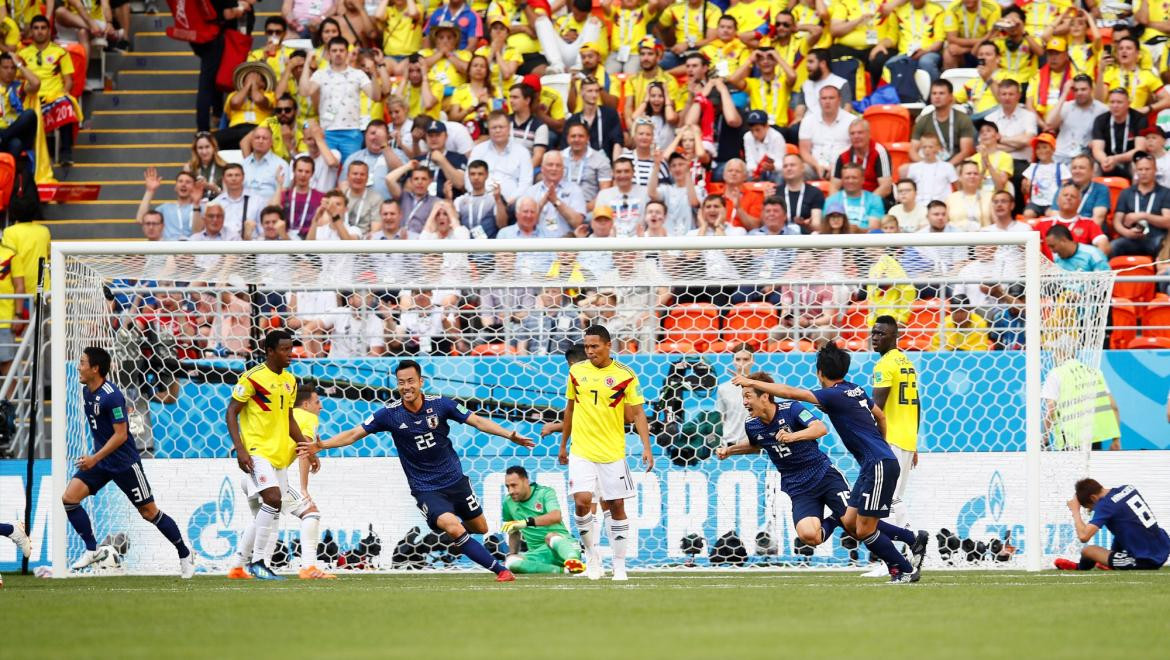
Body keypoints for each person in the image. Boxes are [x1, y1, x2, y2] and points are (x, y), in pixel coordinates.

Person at [301, 359, 534, 581]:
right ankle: (500, 570)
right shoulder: (389, 414)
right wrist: (322, 445)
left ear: (421, 381)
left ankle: (460, 538)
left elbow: (478, 421)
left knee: (480, 528)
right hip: (426, 489)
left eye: (411, 381)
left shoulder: (441, 404)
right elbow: (354, 433)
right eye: (401, 382)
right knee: (453, 527)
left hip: (456, 481)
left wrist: (509, 435)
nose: (406, 387)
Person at [732, 344, 923, 583]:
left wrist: (751, 382)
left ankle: (902, 567)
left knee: (863, 529)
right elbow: (881, 416)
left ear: (820, 372)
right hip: (872, 463)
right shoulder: (855, 389)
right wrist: (881, 445)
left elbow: (790, 393)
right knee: (853, 523)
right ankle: (911, 541)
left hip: (877, 464)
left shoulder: (830, 395)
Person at [64, 346, 195, 577]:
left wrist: (94, 458)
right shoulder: (87, 392)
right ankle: (92, 549)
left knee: (149, 512)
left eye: (83, 363)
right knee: (69, 499)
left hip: (124, 464)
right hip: (102, 462)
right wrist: (96, 458)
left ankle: (185, 553)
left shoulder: (112, 396)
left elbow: (121, 435)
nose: (78, 367)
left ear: (95, 368)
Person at [558, 324, 653, 581]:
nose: (589, 351)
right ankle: (592, 556)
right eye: (586, 347)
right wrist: (563, 444)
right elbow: (570, 409)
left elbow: (638, 413)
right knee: (581, 501)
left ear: (608, 345)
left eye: (594, 346)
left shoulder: (626, 375)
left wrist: (646, 447)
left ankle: (619, 564)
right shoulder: (576, 372)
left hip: (612, 452)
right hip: (582, 449)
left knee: (616, 505)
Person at [223, 330, 316, 580]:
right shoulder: (252, 379)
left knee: (270, 512)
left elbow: (288, 419)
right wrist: (241, 448)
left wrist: (306, 446)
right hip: (257, 453)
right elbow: (231, 412)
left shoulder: (290, 381)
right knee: (273, 500)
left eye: (292, 349)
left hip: (279, 459)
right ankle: (258, 562)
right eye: (285, 349)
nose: (290, 354)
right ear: (270, 351)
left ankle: (241, 564)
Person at [865, 315, 922, 576]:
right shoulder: (906, 362)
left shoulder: (885, 366)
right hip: (906, 439)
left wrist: (874, 443)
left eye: (881, 333)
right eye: (874, 333)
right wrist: (915, 441)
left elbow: (876, 410)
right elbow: (916, 403)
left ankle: (903, 555)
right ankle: (904, 555)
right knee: (890, 499)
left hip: (891, 440)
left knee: (887, 500)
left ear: (894, 336)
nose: (875, 337)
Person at [299, 37, 383, 163]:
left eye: (341, 50)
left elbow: (376, 97)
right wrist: (307, 63)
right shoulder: (320, 74)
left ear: (347, 53)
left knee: (350, 170)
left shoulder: (358, 74)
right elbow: (304, 91)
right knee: (328, 172)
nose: (338, 53)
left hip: (352, 132)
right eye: (334, 50)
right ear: (329, 53)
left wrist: (374, 73)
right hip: (327, 132)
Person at [1055, 479, 1168, 571]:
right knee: (1122, 527)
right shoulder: (1127, 488)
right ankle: (1111, 563)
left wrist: (1075, 511)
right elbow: (1126, 528)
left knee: (1088, 551)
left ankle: (1079, 568)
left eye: (1090, 508)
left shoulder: (1105, 505)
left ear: (1093, 498)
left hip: (1146, 560)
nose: (1092, 510)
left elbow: (1084, 536)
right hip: (1164, 545)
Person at [499, 465, 586, 575]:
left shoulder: (545, 493)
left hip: (563, 547)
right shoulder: (508, 503)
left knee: (551, 537)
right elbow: (513, 531)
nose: (510, 491)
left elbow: (556, 516)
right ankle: (564, 571)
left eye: (514, 485)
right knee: (511, 562)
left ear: (526, 481)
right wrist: (512, 554)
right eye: (507, 487)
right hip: (538, 555)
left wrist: (526, 522)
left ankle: (573, 561)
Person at [1042, 348, 1120, 452]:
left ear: (1057, 355)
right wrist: (1116, 440)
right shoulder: (1095, 372)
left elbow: (1051, 409)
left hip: (1070, 437)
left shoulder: (1056, 374)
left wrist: (1044, 439)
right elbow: (1114, 407)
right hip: (1093, 435)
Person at [1111, 153, 1170, 258]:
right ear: (1136, 171)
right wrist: (1126, 232)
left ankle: (1161, 273)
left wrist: (1143, 216)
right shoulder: (1126, 193)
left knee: (1163, 246)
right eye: (1140, 169)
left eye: (1147, 169)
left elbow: (1167, 221)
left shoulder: (1165, 192)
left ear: (1155, 170)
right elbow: (1117, 221)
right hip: (1131, 238)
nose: (1143, 173)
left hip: (1156, 238)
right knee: (1113, 246)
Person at [911, 80, 976, 166]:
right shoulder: (923, 120)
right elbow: (912, 150)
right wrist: (925, 164)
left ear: (951, 97)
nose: (937, 97)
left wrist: (946, 167)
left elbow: (966, 151)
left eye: (941, 93)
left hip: (956, 165)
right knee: (904, 169)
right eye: (934, 93)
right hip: (930, 164)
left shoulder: (963, 119)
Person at [1046, 74, 1105, 165]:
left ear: (1091, 89)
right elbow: (1049, 123)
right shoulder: (1066, 106)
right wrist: (1064, 94)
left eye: (1083, 89)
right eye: (1076, 90)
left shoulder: (1101, 109)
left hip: (1084, 159)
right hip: (1060, 156)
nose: (1079, 93)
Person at [1090, 88, 1147, 180]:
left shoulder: (1139, 119)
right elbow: (1097, 149)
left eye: (1119, 102)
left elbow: (1140, 149)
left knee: (1137, 166)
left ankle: (1136, 193)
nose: (1115, 106)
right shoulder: (1101, 120)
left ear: (1128, 103)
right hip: (1107, 159)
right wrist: (1104, 160)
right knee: (1094, 167)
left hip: (1130, 159)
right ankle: (1094, 193)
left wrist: (1116, 159)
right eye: (1112, 102)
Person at [831, 118, 893, 198]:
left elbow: (885, 187)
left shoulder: (880, 152)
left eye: (860, 133)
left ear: (869, 134)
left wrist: (865, 204)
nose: (856, 136)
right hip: (849, 200)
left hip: (874, 199)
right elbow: (834, 187)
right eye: (852, 133)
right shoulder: (843, 155)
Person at [1021, 133, 1068, 218]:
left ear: (1053, 149)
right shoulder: (1033, 167)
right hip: (1035, 202)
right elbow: (1025, 190)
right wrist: (1025, 186)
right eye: (1038, 148)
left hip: (1053, 203)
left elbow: (1066, 187)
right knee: (1028, 214)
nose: (1041, 150)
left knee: (1052, 214)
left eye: (1044, 147)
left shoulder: (1060, 167)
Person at [715, 343, 754, 448]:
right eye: (738, 359)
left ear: (752, 361)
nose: (741, 363)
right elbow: (721, 417)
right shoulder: (723, 388)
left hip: (754, 445)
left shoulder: (760, 386)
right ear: (733, 361)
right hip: (730, 444)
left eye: (745, 359)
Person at [904, 133, 957, 205]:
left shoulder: (947, 167)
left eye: (930, 147)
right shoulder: (914, 168)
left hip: (941, 206)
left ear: (938, 148)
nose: (927, 150)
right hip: (919, 205)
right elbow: (909, 187)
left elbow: (957, 186)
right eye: (924, 147)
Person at [778, 153, 823, 233]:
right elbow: (764, 224)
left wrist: (807, 224)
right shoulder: (775, 192)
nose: (789, 168)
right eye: (785, 166)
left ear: (802, 168)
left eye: (792, 165)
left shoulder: (815, 192)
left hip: (805, 238)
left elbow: (817, 225)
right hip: (779, 236)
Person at [1046, 224, 1110, 273]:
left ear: (1063, 240)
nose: (1052, 251)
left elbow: (1105, 281)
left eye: (1053, 246)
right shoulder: (1056, 257)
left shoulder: (1093, 254)